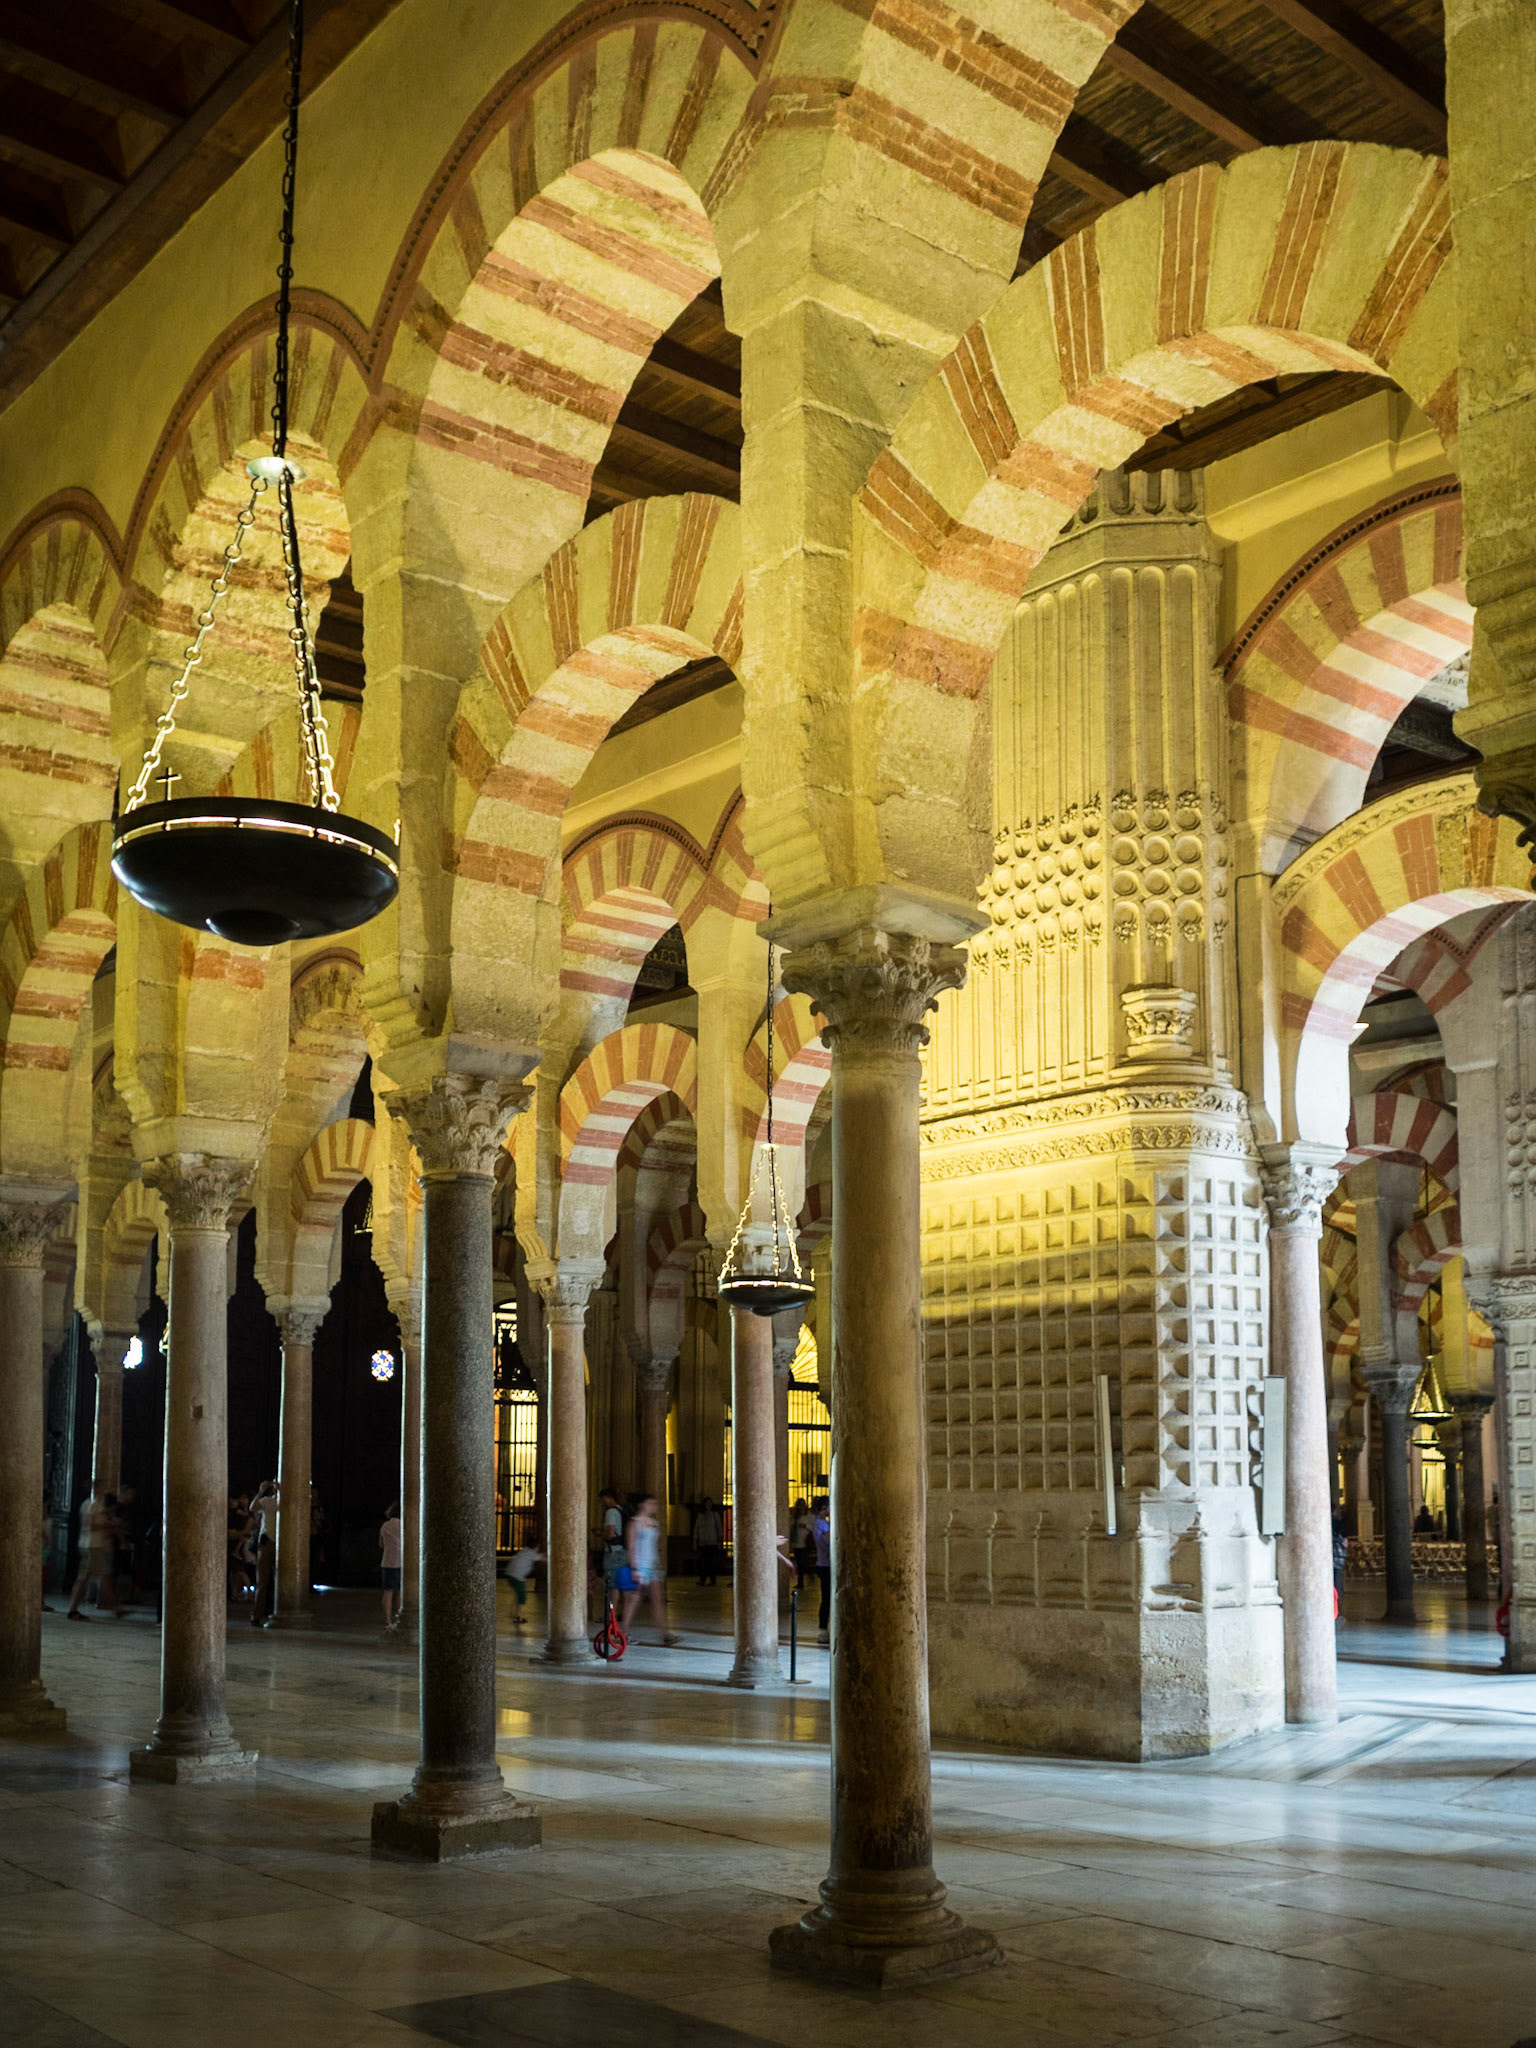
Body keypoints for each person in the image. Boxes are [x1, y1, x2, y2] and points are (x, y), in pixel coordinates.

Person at [620, 1494, 680, 1646]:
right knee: (634, 1600)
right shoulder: (634, 1523)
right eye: (650, 1503)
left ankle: (665, 1633)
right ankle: (623, 1633)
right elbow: (631, 1547)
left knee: (658, 1600)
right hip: (641, 1566)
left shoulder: (654, 1523)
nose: (654, 1507)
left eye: (655, 1504)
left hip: (653, 1566)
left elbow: (655, 1546)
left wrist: (658, 1564)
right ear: (642, 1505)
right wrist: (634, 1568)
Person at [67, 1488, 120, 1619]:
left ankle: (116, 1607)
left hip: (89, 1545)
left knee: (97, 1577)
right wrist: (108, 1525)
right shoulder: (95, 1507)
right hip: (93, 1546)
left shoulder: (88, 1504)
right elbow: (89, 1526)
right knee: (90, 1578)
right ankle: (73, 1609)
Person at [249, 1479, 279, 1626]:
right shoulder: (268, 1501)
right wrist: (261, 1491)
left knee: (280, 1582)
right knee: (263, 1581)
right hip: (267, 1543)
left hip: (282, 1544)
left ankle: (275, 1612)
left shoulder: (288, 1501)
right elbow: (252, 1507)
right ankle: (256, 1615)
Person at [379, 1500, 403, 1630]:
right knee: (400, 1592)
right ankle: (400, 1618)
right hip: (400, 1561)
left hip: (387, 1561)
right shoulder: (402, 1525)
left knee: (388, 1592)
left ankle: (387, 1621)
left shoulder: (385, 1525)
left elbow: (381, 1544)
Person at [506, 1542, 542, 1628]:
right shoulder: (530, 1553)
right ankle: (516, 1617)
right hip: (517, 1577)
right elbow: (542, 1558)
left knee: (519, 1595)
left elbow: (539, 1556)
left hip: (511, 1575)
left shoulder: (526, 1551)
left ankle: (513, 1613)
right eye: (538, 1547)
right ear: (535, 1547)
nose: (538, 1549)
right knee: (522, 1597)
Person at [811, 1494, 831, 1645]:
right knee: (826, 1599)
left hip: (826, 1564)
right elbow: (825, 1545)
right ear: (825, 1508)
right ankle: (823, 1630)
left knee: (828, 1598)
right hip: (825, 1565)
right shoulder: (820, 1524)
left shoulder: (823, 1522)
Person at [693, 1496, 723, 1586]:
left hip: (712, 1542)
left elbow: (719, 1529)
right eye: (707, 1503)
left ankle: (706, 1580)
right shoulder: (700, 1516)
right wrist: (695, 1541)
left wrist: (719, 1541)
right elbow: (696, 1529)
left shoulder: (714, 1515)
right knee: (704, 1561)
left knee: (709, 1562)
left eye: (710, 1503)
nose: (709, 1505)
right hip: (703, 1542)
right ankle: (708, 1579)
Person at [789, 1497, 815, 1589]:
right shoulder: (795, 1517)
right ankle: (800, 1582)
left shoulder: (808, 1516)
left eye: (802, 1504)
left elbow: (813, 1527)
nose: (801, 1507)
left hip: (804, 1543)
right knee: (798, 1563)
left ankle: (803, 1581)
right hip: (797, 1543)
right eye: (799, 1505)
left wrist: (805, 1526)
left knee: (802, 1563)